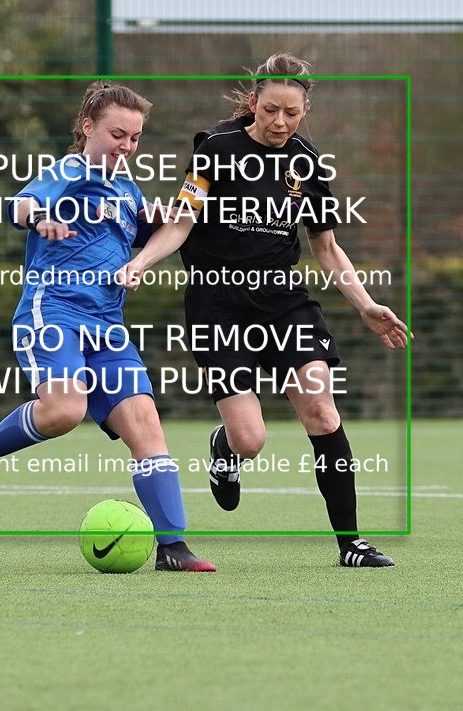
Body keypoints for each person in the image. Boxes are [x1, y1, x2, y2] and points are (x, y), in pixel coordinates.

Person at [119, 53, 411, 567]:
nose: (280, 122)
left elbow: (325, 246)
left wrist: (366, 304)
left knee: (321, 411)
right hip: (218, 305)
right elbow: (183, 224)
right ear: (252, 101)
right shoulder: (214, 150)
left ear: (305, 111)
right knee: (250, 439)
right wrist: (142, 260)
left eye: (291, 113)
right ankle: (227, 449)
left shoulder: (309, 163)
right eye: (271, 109)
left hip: (284, 303)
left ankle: (352, 545)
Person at [0, 80, 216, 572]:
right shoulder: (69, 170)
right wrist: (40, 215)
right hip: (54, 314)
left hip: (107, 326)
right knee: (66, 410)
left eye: (134, 138)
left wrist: (183, 208)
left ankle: (173, 548)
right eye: (117, 134)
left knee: (147, 425)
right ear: (87, 126)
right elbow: (19, 205)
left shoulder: (128, 191)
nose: (126, 147)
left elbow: (168, 228)